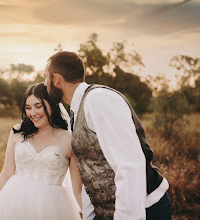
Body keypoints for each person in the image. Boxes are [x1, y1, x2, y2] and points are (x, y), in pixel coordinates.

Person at [44, 51, 171, 220]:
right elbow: (90, 169)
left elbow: (129, 165)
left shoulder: (98, 99)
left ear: (56, 79)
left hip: (144, 209)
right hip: (107, 212)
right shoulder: (79, 109)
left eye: (45, 77)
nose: (44, 84)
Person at [0, 83, 82, 220]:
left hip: (52, 208)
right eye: (28, 108)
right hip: (13, 202)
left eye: (38, 106)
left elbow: (78, 189)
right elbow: (7, 172)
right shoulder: (18, 132)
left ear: (52, 105)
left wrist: (89, 213)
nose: (33, 113)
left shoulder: (68, 140)